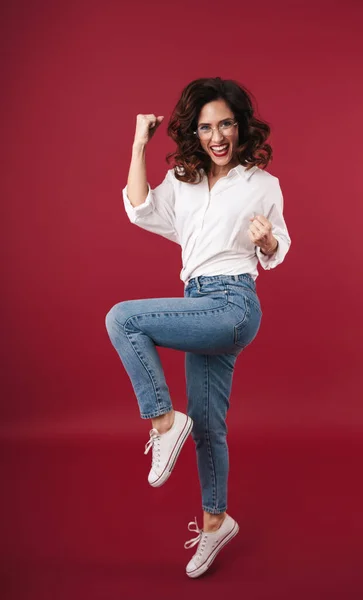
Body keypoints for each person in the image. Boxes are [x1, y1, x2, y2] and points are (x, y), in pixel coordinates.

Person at [105, 77, 291, 578]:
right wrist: (139, 144)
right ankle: (215, 522)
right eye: (207, 126)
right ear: (195, 132)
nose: (217, 136)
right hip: (197, 301)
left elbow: (278, 249)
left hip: (233, 304)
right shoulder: (184, 183)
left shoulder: (261, 184)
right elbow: (140, 207)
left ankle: (163, 422)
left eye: (226, 123)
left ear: (240, 126)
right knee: (209, 426)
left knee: (122, 318)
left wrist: (268, 240)